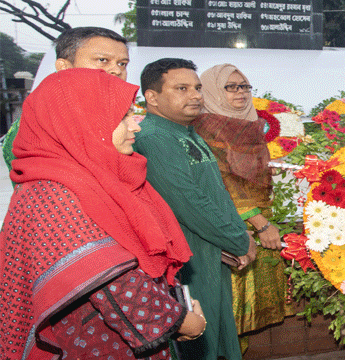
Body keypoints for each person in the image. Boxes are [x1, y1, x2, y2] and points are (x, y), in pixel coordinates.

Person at [0, 69, 205, 359]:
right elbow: (113, 280)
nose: (135, 127)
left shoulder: (98, 175)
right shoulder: (53, 192)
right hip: (96, 343)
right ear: (79, 123)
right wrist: (184, 321)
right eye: (121, 118)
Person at [134, 58, 254, 360]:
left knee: (214, 333)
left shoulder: (185, 132)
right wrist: (238, 240)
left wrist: (233, 238)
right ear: (152, 97)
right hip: (186, 257)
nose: (196, 95)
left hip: (209, 250)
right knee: (195, 335)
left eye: (197, 88)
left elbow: (215, 192)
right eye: (181, 88)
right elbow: (188, 202)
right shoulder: (154, 138)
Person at [192, 64, 293, 347]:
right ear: (212, 89)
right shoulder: (204, 128)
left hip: (259, 217)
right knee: (227, 305)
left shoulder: (250, 124)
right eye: (231, 86)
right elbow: (222, 181)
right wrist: (261, 224)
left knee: (243, 316)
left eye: (244, 86)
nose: (240, 92)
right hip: (232, 223)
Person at [2, 26, 130, 170]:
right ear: (64, 66)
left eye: (122, 64)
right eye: (102, 60)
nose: (117, 70)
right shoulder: (34, 125)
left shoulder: (118, 119)